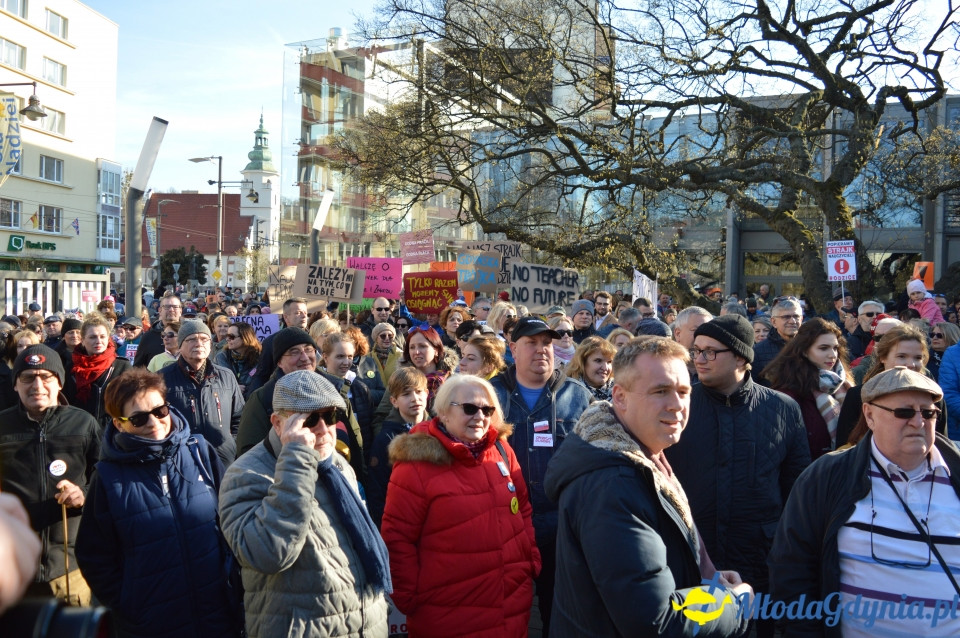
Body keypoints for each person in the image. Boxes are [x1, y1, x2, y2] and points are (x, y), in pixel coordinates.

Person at [544, 337, 752, 637]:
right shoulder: (613, 485)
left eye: (684, 392)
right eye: (660, 391)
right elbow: (655, 620)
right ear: (620, 397)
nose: (677, 405)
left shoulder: (644, 458)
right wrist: (732, 603)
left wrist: (709, 579)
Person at [769, 366, 960, 636]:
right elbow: (792, 569)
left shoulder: (955, 473)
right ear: (870, 415)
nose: (918, 422)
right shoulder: (828, 476)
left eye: (928, 413)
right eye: (904, 412)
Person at [664, 315, 810, 636]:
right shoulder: (678, 407)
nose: (699, 359)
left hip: (759, 563)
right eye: (696, 350)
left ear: (741, 358)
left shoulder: (783, 409)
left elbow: (797, 493)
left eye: (710, 352)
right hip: (692, 559)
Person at [219, 370, 390, 638]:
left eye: (330, 416)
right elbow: (268, 554)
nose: (323, 429)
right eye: (310, 419)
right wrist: (296, 459)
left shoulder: (337, 464)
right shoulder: (245, 474)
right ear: (278, 423)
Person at [75, 368, 242, 638]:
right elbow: (95, 556)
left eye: (160, 411)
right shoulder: (107, 477)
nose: (154, 422)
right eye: (139, 418)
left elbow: (231, 521)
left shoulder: (199, 452)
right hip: (153, 623)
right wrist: (129, 606)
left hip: (218, 614)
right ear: (119, 424)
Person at [382, 375, 540, 637]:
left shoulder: (501, 450)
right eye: (469, 408)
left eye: (487, 410)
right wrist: (408, 597)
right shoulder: (416, 463)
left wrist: (529, 557)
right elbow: (397, 537)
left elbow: (522, 507)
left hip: (512, 604)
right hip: (447, 612)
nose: (480, 416)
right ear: (444, 412)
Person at [489, 316, 593, 635]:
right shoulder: (490, 395)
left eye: (546, 343)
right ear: (513, 349)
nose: (541, 349)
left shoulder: (578, 395)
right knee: (504, 616)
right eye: (531, 343)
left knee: (558, 617)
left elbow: (593, 462)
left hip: (562, 530)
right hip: (504, 527)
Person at [0, 345, 100, 605]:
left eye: (46, 377)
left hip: (70, 567)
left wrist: (83, 494)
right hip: (13, 567)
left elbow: (105, 479)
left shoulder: (84, 423)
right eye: (27, 378)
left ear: (59, 383)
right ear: (15, 385)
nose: (37, 385)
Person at [837, 323, 946, 446]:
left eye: (917, 358)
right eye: (901, 356)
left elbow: (942, 447)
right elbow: (844, 446)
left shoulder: (934, 399)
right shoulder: (857, 396)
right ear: (883, 357)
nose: (911, 364)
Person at [763, 318, 853, 460]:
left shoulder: (844, 384)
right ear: (804, 351)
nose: (832, 355)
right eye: (823, 348)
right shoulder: (789, 393)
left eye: (835, 348)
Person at [161, 320, 244, 467]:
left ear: (210, 345)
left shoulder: (226, 376)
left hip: (223, 461)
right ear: (180, 345)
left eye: (204, 339)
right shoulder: (162, 378)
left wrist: (232, 444)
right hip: (182, 462)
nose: (199, 344)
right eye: (191, 339)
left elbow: (240, 417)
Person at [366, 367, 428, 528]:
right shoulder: (386, 439)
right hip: (402, 519)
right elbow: (378, 490)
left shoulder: (437, 431)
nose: (415, 399)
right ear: (394, 401)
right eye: (406, 394)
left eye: (419, 392)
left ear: (427, 393)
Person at [65, 312, 132, 433]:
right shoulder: (71, 368)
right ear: (83, 340)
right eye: (92, 337)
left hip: (112, 432)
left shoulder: (121, 366)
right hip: (79, 431)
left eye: (102, 337)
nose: (98, 341)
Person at [248, 297, 310, 394]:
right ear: (286, 317)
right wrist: (254, 397)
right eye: (298, 313)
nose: (303, 316)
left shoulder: (315, 338)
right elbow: (262, 374)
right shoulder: (271, 342)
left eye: (305, 313)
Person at [753, 297, 804, 381]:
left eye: (796, 316)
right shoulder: (758, 351)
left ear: (801, 319)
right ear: (773, 322)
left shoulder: (810, 346)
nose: (792, 321)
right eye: (786, 317)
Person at [357, 321, 401, 407]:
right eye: (383, 336)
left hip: (396, 403)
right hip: (375, 404)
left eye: (390, 336)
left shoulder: (401, 356)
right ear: (376, 338)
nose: (387, 338)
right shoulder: (368, 357)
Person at [133, 291, 182, 368]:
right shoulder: (148, 337)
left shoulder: (189, 334)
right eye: (167, 307)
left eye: (175, 307)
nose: (171, 310)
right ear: (160, 310)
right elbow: (138, 368)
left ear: (180, 311)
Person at [215, 321, 261, 398]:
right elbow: (216, 383)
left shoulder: (260, 357)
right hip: (230, 400)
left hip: (253, 400)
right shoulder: (221, 357)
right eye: (227, 336)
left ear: (245, 338)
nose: (227, 339)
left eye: (231, 336)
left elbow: (261, 382)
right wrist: (233, 388)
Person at [566, 335, 616, 401]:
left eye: (609, 362)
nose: (605, 367)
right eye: (598, 360)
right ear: (582, 362)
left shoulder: (621, 391)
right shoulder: (566, 393)